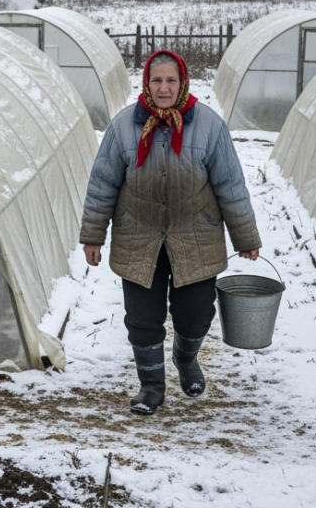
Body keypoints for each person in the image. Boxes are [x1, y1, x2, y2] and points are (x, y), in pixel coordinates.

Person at [79, 50, 261, 416]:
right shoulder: (123, 126)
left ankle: (186, 358)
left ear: (183, 84)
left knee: (195, 313)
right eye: (157, 81)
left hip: (195, 236)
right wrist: (93, 235)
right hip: (139, 238)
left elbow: (231, 184)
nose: (164, 88)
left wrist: (246, 237)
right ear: (146, 83)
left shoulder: (209, 126)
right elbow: (102, 184)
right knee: (142, 320)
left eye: (171, 81)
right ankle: (151, 386)